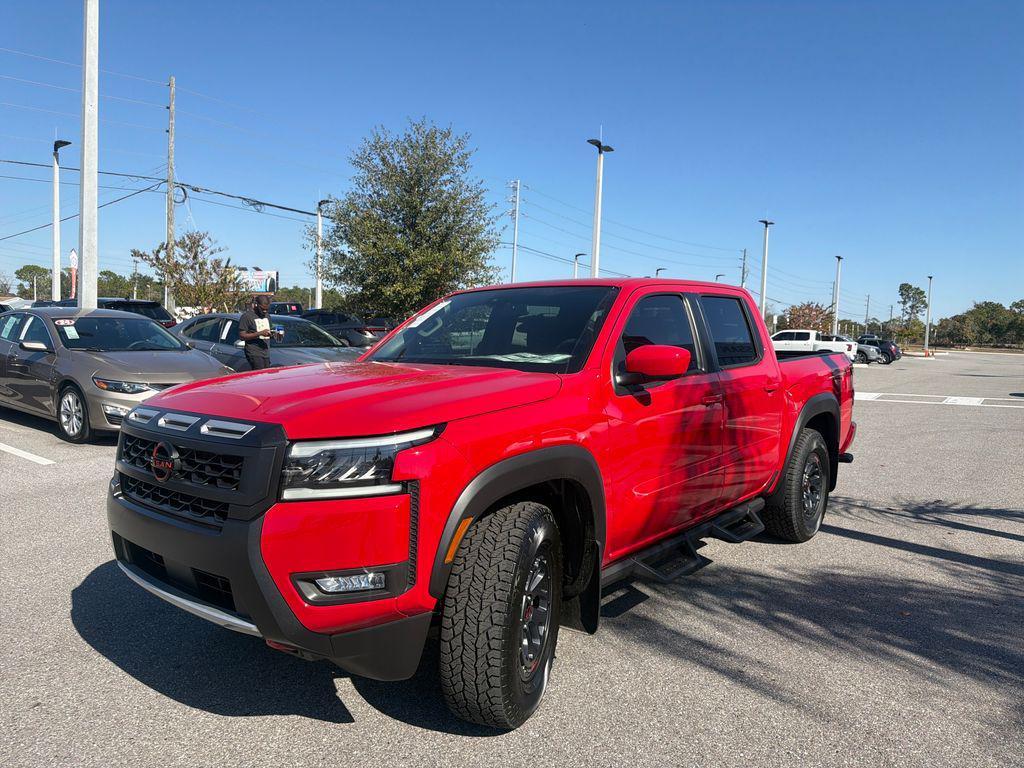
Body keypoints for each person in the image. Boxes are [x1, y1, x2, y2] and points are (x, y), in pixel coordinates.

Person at [238, 295, 273, 370]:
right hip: (254, 352)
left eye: (267, 309)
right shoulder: (247, 316)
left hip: (265, 352)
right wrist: (259, 333)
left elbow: (268, 332)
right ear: (256, 305)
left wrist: (274, 334)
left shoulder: (267, 316)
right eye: (263, 309)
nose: (265, 311)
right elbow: (242, 335)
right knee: (260, 375)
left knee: (267, 376)